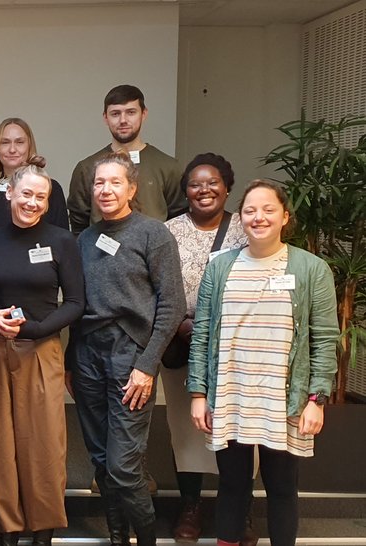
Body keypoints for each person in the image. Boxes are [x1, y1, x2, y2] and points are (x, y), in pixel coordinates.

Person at [188, 179, 339, 546]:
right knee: (232, 485)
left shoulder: (311, 269)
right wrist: (198, 392)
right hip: (231, 395)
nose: (259, 217)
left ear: (285, 216)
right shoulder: (220, 267)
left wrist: (317, 400)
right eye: (250, 210)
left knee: (283, 488)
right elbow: (202, 332)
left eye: (268, 209)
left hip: (283, 399)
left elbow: (324, 339)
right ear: (240, 218)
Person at [68, 152, 185, 546]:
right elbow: (76, 305)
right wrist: (71, 362)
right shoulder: (83, 239)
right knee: (100, 459)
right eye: (99, 183)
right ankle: (119, 537)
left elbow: (172, 306)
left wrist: (147, 364)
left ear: (131, 189)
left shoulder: (154, 234)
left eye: (115, 182)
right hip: (87, 356)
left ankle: (146, 540)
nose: (105, 190)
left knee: (124, 467)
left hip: (130, 356)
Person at [0, 157, 84, 546]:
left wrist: (36, 330)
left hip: (42, 350)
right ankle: (8, 527)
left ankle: (43, 528)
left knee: (44, 443)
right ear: (9, 193)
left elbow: (75, 303)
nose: (32, 202)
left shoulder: (61, 240)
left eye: (41, 196)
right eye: (26, 194)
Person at [162, 153, 249, 542]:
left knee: (238, 431)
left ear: (227, 186)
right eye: (195, 184)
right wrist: (181, 325)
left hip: (234, 349)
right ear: (186, 191)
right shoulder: (168, 232)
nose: (204, 190)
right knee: (186, 428)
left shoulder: (244, 231)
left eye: (212, 182)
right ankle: (191, 504)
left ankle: (239, 510)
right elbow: (157, 287)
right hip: (181, 341)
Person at [67, 84, 185, 234]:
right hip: (101, 252)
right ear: (105, 117)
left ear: (143, 114)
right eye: (115, 114)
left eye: (131, 112)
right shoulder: (87, 167)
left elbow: (179, 219)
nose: (123, 120)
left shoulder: (168, 167)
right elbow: (79, 224)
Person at [0, 118, 69, 231]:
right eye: (5, 142)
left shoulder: (52, 189)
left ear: (29, 146)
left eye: (19, 142)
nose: (12, 149)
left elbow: (62, 240)